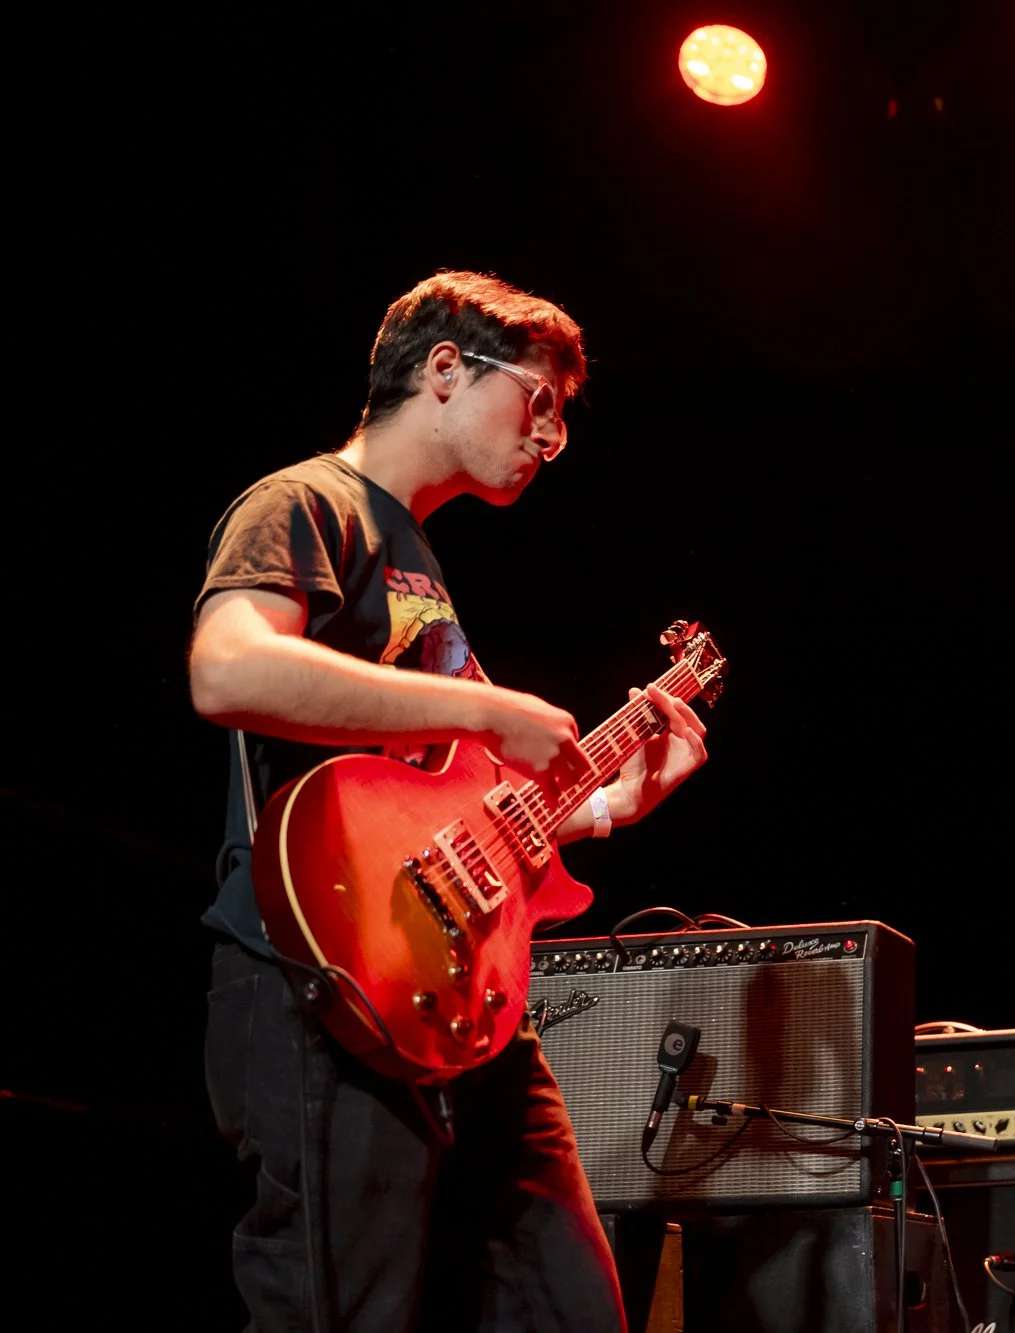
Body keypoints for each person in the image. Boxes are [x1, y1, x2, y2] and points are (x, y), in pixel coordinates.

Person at [188, 270, 710, 1331]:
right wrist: (487, 714)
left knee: (573, 1308)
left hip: (452, 1008)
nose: (549, 439)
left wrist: (608, 808)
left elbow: (468, 822)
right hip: (320, 980)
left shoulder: (421, 563)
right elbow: (226, 671)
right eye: (538, 401)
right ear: (441, 369)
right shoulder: (305, 503)